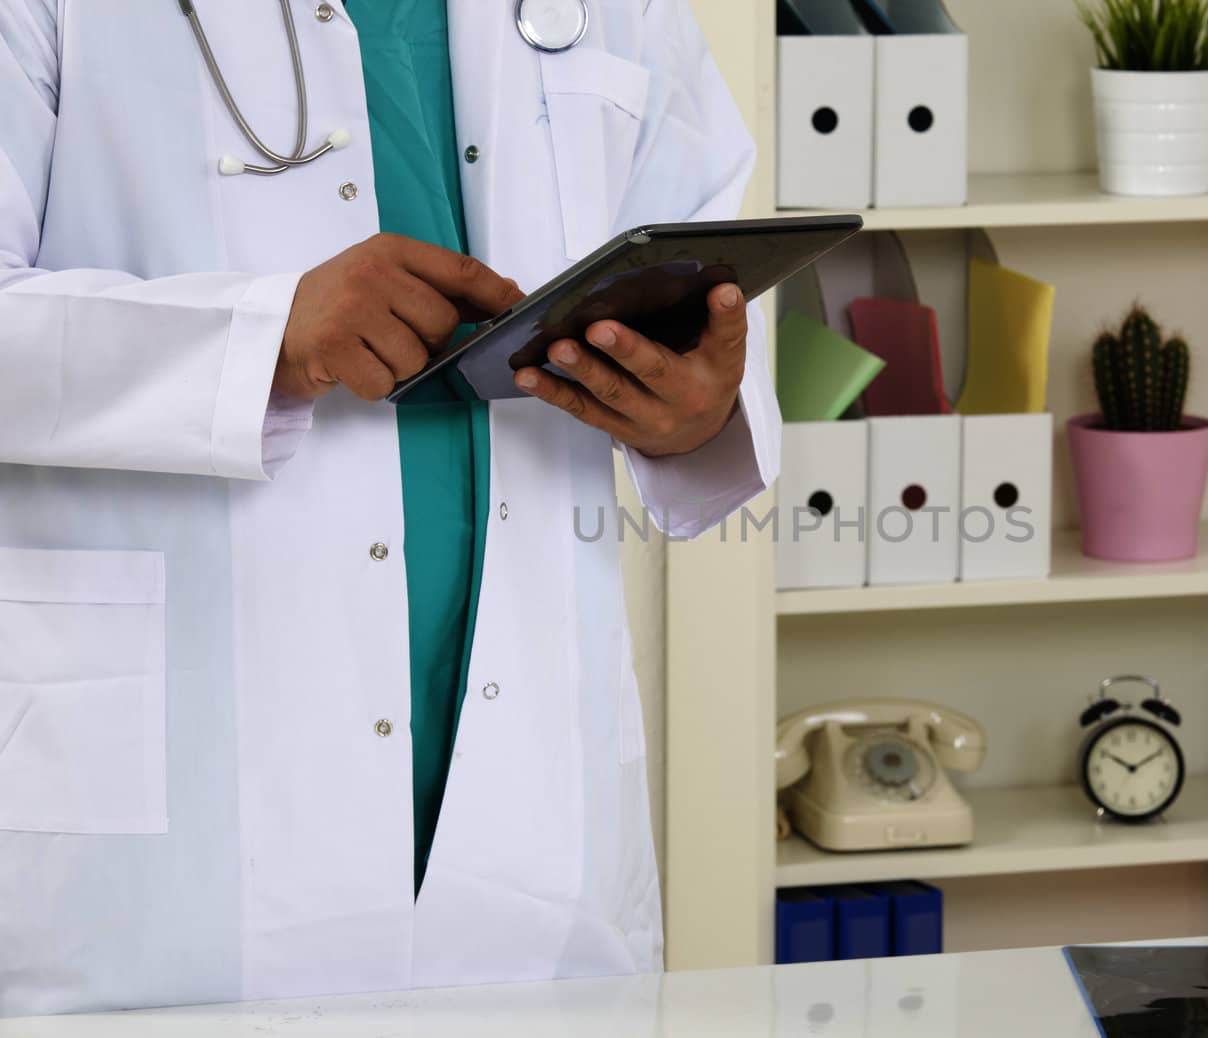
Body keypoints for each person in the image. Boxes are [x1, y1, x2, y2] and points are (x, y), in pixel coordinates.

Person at [0, 0, 777, 1018]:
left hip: (530, 796)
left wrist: (694, 410)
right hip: (171, 839)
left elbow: (705, 273)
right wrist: (262, 337)